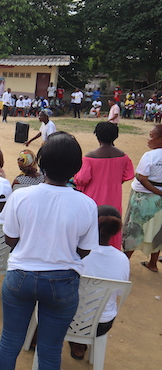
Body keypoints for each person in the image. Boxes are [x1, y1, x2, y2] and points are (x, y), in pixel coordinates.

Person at [0, 131, 99, 370]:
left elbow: (10, 239)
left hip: (20, 276)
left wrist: (32, 246)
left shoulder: (20, 196)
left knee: (9, 342)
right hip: (63, 281)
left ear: (41, 164)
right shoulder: (87, 204)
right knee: (50, 351)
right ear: (76, 168)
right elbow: (84, 250)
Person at [68, 205, 130, 361]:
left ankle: (37, 339)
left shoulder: (74, 251)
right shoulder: (122, 259)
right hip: (101, 324)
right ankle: (80, 344)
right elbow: (119, 292)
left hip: (66, 318)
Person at [74, 122, 134, 249]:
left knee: (92, 226)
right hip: (114, 198)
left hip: (93, 198)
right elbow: (126, 175)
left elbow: (81, 179)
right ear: (115, 136)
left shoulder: (89, 157)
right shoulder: (123, 156)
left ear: (97, 136)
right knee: (111, 225)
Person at [122, 124, 162, 272]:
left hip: (143, 197)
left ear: (161, 139)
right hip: (159, 201)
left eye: (151, 136)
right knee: (157, 230)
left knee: (134, 228)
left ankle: (124, 262)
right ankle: (153, 263)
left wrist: (157, 192)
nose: (148, 139)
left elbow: (143, 178)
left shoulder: (150, 156)